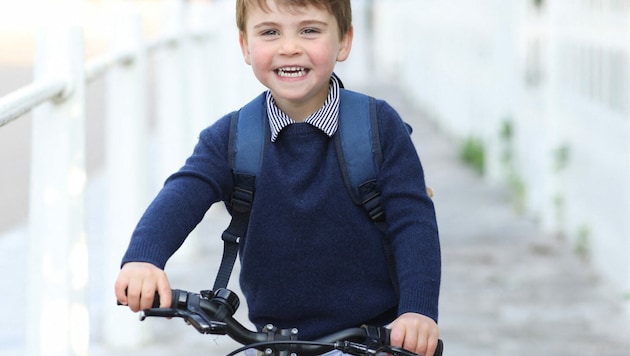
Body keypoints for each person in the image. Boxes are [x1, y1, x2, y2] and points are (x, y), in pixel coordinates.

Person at [114, 0, 441, 355]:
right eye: (270, 32)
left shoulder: (379, 127)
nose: (289, 47)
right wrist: (144, 258)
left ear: (344, 41)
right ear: (245, 46)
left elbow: (413, 221)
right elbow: (183, 191)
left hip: (370, 339)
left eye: (309, 30)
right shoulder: (232, 138)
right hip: (271, 340)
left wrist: (417, 312)